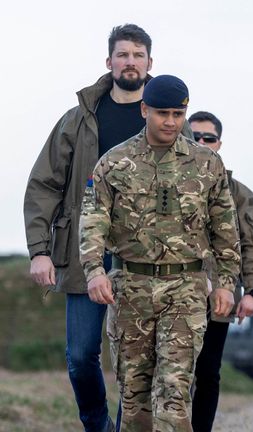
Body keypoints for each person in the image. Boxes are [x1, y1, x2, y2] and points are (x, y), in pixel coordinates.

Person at [79, 75, 241, 432]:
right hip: (130, 289)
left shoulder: (206, 165)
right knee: (134, 401)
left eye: (177, 113)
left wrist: (226, 283)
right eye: (162, 113)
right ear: (144, 110)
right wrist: (94, 271)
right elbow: (92, 222)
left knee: (174, 393)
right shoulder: (114, 163)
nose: (170, 122)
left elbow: (225, 229)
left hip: (185, 288)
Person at [24, 24, 154, 432]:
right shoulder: (79, 119)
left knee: (135, 360)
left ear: (150, 62)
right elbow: (44, 183)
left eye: (137, 54)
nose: (129, 61)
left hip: (144, 256)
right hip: (84, 252)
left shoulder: (167, 117)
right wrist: (39, 249)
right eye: (122, 54)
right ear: (109, 61)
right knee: (81, 357)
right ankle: (99, 427)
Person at [188, 111, 253, 432]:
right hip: (172, 292)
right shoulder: (164, 182)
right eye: (195, 137)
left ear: (219, 143)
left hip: (218, 298)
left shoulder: (240, 194)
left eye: (209, 138)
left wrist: (252, 291)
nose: (203, 143)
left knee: (207, 372)